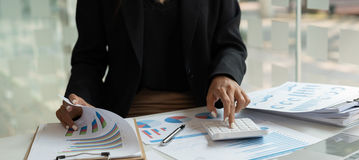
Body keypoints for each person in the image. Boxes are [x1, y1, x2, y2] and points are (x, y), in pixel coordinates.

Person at [56, 0, 249, 130]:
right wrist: (77, 101)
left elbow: (231, 44)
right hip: (129, 115)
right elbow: (89, 58)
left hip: (203, 112)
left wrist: (225, 75)